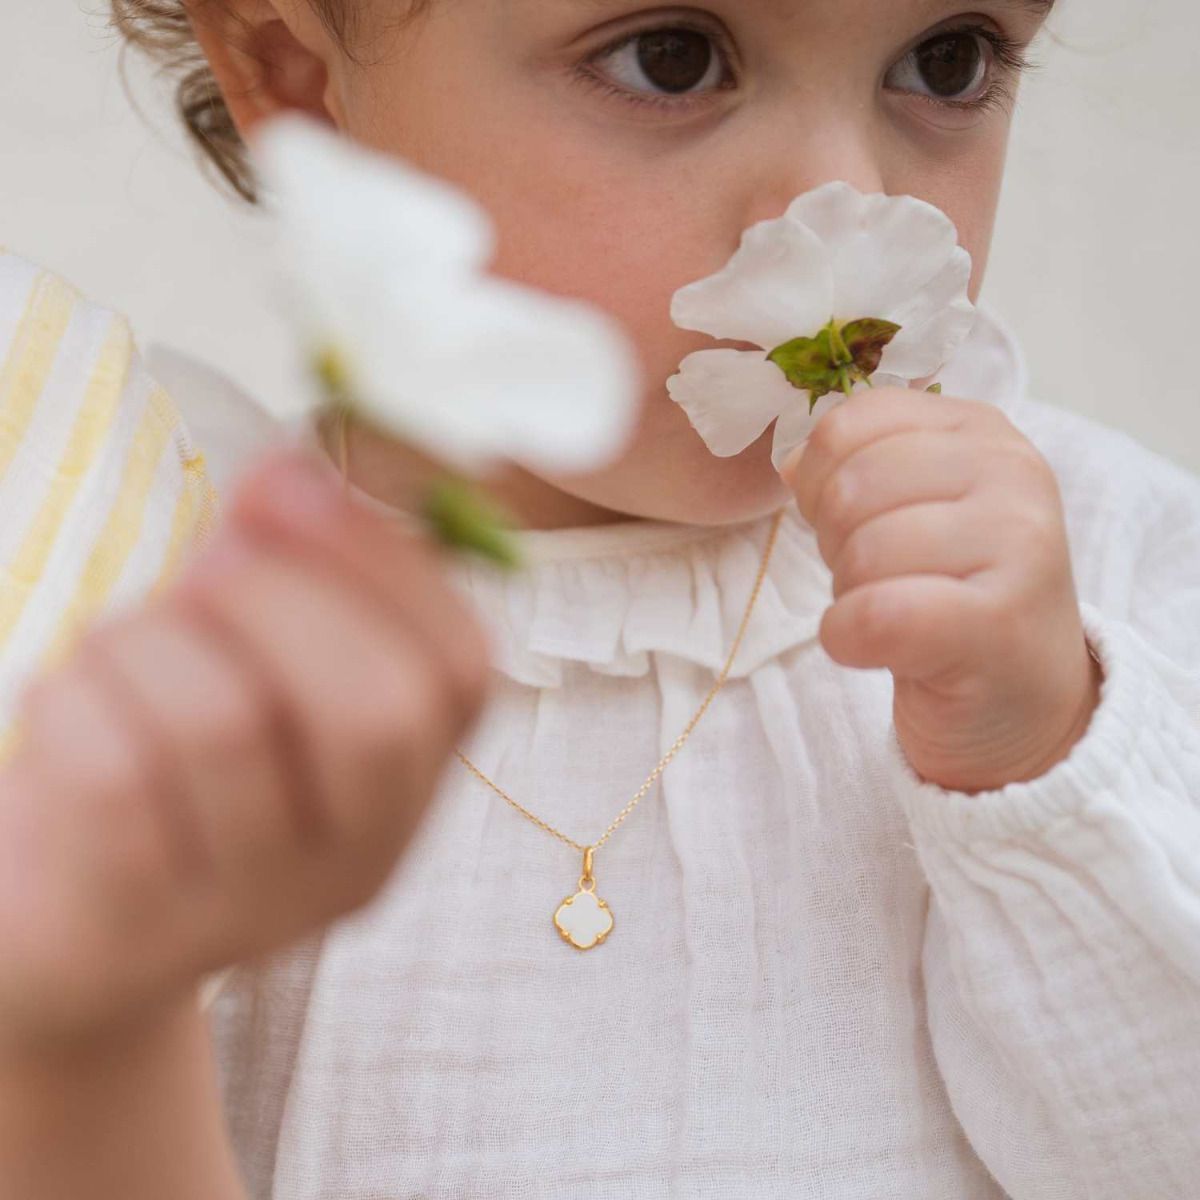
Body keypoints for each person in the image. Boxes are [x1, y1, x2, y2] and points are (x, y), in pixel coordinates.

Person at [2, 0, 1199, 1196]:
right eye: (674, 59)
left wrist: (1043, 753)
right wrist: (95, 1019)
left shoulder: (1094, 579)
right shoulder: (161, 607)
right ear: (300, 82)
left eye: (947, 60)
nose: (847, 200)